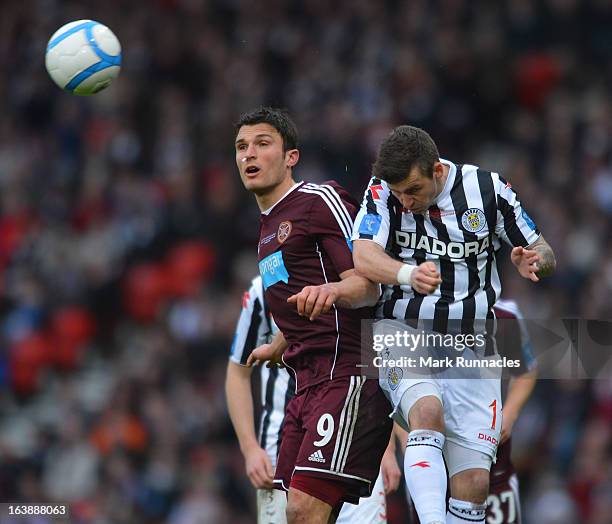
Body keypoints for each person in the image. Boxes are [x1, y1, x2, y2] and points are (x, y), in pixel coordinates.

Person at [351, 125, 555, 524]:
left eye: (413, 189)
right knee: (426, 411)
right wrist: (408, 275)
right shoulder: (381, 191)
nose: (405, 202)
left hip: (472, 341)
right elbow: (363, 255)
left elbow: (544, 250)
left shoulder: (488, 189)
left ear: (438, 171)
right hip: (401, 329)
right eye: (398, 193)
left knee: (475, 483)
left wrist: (534, 262)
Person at [234, 107, 393, 524]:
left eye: (262, 143)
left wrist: (333, 289)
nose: (249, 153)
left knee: (305, 509)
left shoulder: (317, 199)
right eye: (241, 147)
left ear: (291, 157)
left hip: (349, 370)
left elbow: (369, 283)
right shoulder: (267, 230)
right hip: (304, 383)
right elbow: (311, 298)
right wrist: (282, 342)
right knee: (297, 513)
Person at [226, 275, 402, 524]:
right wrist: (250, 448)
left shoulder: (354, 286)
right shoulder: (262, 290)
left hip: (351, 439)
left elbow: (380, 365)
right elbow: (237, 371)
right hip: (281, 447)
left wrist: (387, 447)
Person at [406, 299, 538, 523]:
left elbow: (525, 370)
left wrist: (509, 414)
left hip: (490, 460)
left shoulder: (505, 314)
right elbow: (401, 391)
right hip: (434, 463)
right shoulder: (418, 312)